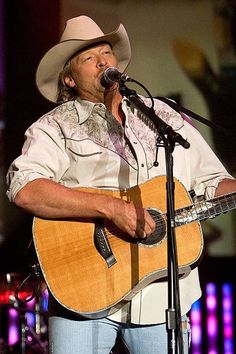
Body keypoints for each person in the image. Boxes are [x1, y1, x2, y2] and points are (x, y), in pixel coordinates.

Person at [6, 15, 236, 354]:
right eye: (89, 57)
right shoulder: (53, 127)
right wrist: (111, 208)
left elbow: (214, 181)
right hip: (83, 290)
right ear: (69, 79)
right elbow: (25, 188)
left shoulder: (166, 117)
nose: (103, 60)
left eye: (106, 52)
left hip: (161, 296)